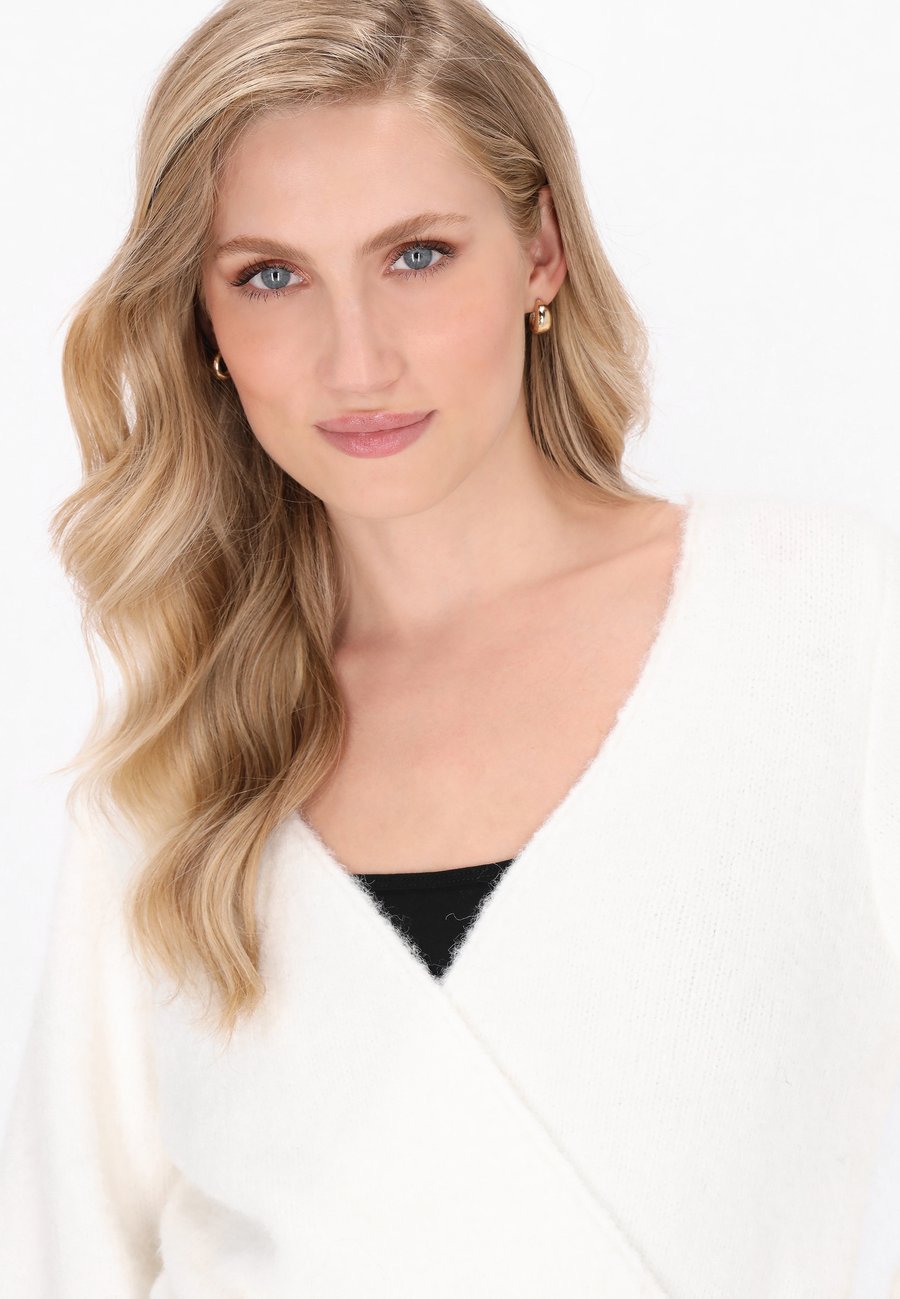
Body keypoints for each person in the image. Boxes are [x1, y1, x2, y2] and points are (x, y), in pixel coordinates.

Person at [1, 1, 898, 1296]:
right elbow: (64, 1255)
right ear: (201, 322)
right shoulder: (175, 752)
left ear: (540, 252)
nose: (356, 360)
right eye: (270, 276)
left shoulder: (826, 621)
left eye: (417, 256)